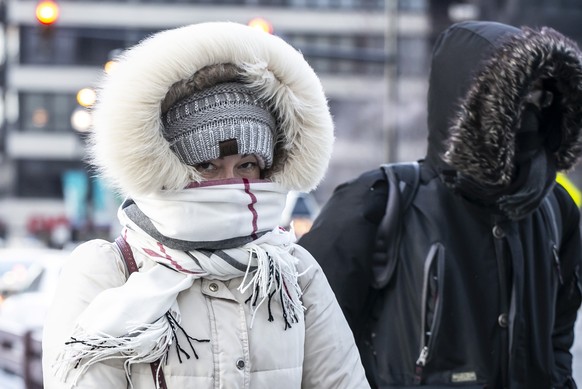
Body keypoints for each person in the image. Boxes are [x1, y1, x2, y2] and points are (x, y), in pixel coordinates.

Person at [42, 22, 369, 389]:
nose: (230, 182)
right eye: (207, 166)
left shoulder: (294, 273)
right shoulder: (108, 272)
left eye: (246, 165)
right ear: (170, 169)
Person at [299, 20, 582, 389]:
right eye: (517, 98)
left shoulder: (555, 209)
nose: (529, 113)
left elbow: (558, 337)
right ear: (470, 105)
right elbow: (310, 341)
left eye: (541, 98)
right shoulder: (379, 202)